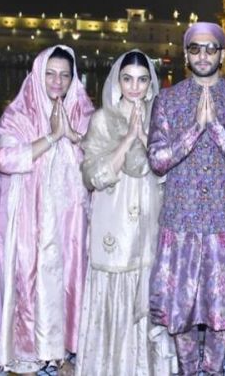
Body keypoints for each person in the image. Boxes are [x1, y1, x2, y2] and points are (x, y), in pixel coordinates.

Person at [147, 22, 225, 376]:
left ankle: (212, 372)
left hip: (224, 222)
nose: (203, 55)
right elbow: (157, 159)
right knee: (180, 309)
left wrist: (216, 129)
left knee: (220, 311)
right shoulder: (167, 100)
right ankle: (187, 371)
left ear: (223, 54)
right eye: (195, 48)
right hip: (180, 220)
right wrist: (196, 128)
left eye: (211, 48)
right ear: (186, 54)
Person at [0, 45, 94, 375]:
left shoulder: (82, 109)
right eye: (50, 73)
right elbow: (5, 159)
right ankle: (27, 350)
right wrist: (52, 137)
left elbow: (99, 156)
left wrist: (72, 135)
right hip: (30, 219)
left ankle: (62, 350)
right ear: (37, 74)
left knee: (68, 279)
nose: (57, 81)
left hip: (70, 218)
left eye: (65, 75)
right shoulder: (19, 113)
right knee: (30, 278)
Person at [76, 50, 177, 375]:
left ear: (150, 85)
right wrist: (128, 139)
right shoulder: (103, 119)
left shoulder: (162, 121)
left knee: (147, 296)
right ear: (118, 82)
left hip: (150, 226)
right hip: (114, 227)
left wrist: (146, 136)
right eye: (128, 79)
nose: (135, 87)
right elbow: (93, 176)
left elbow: (167, 172)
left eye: (142, 80)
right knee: (113, 301)